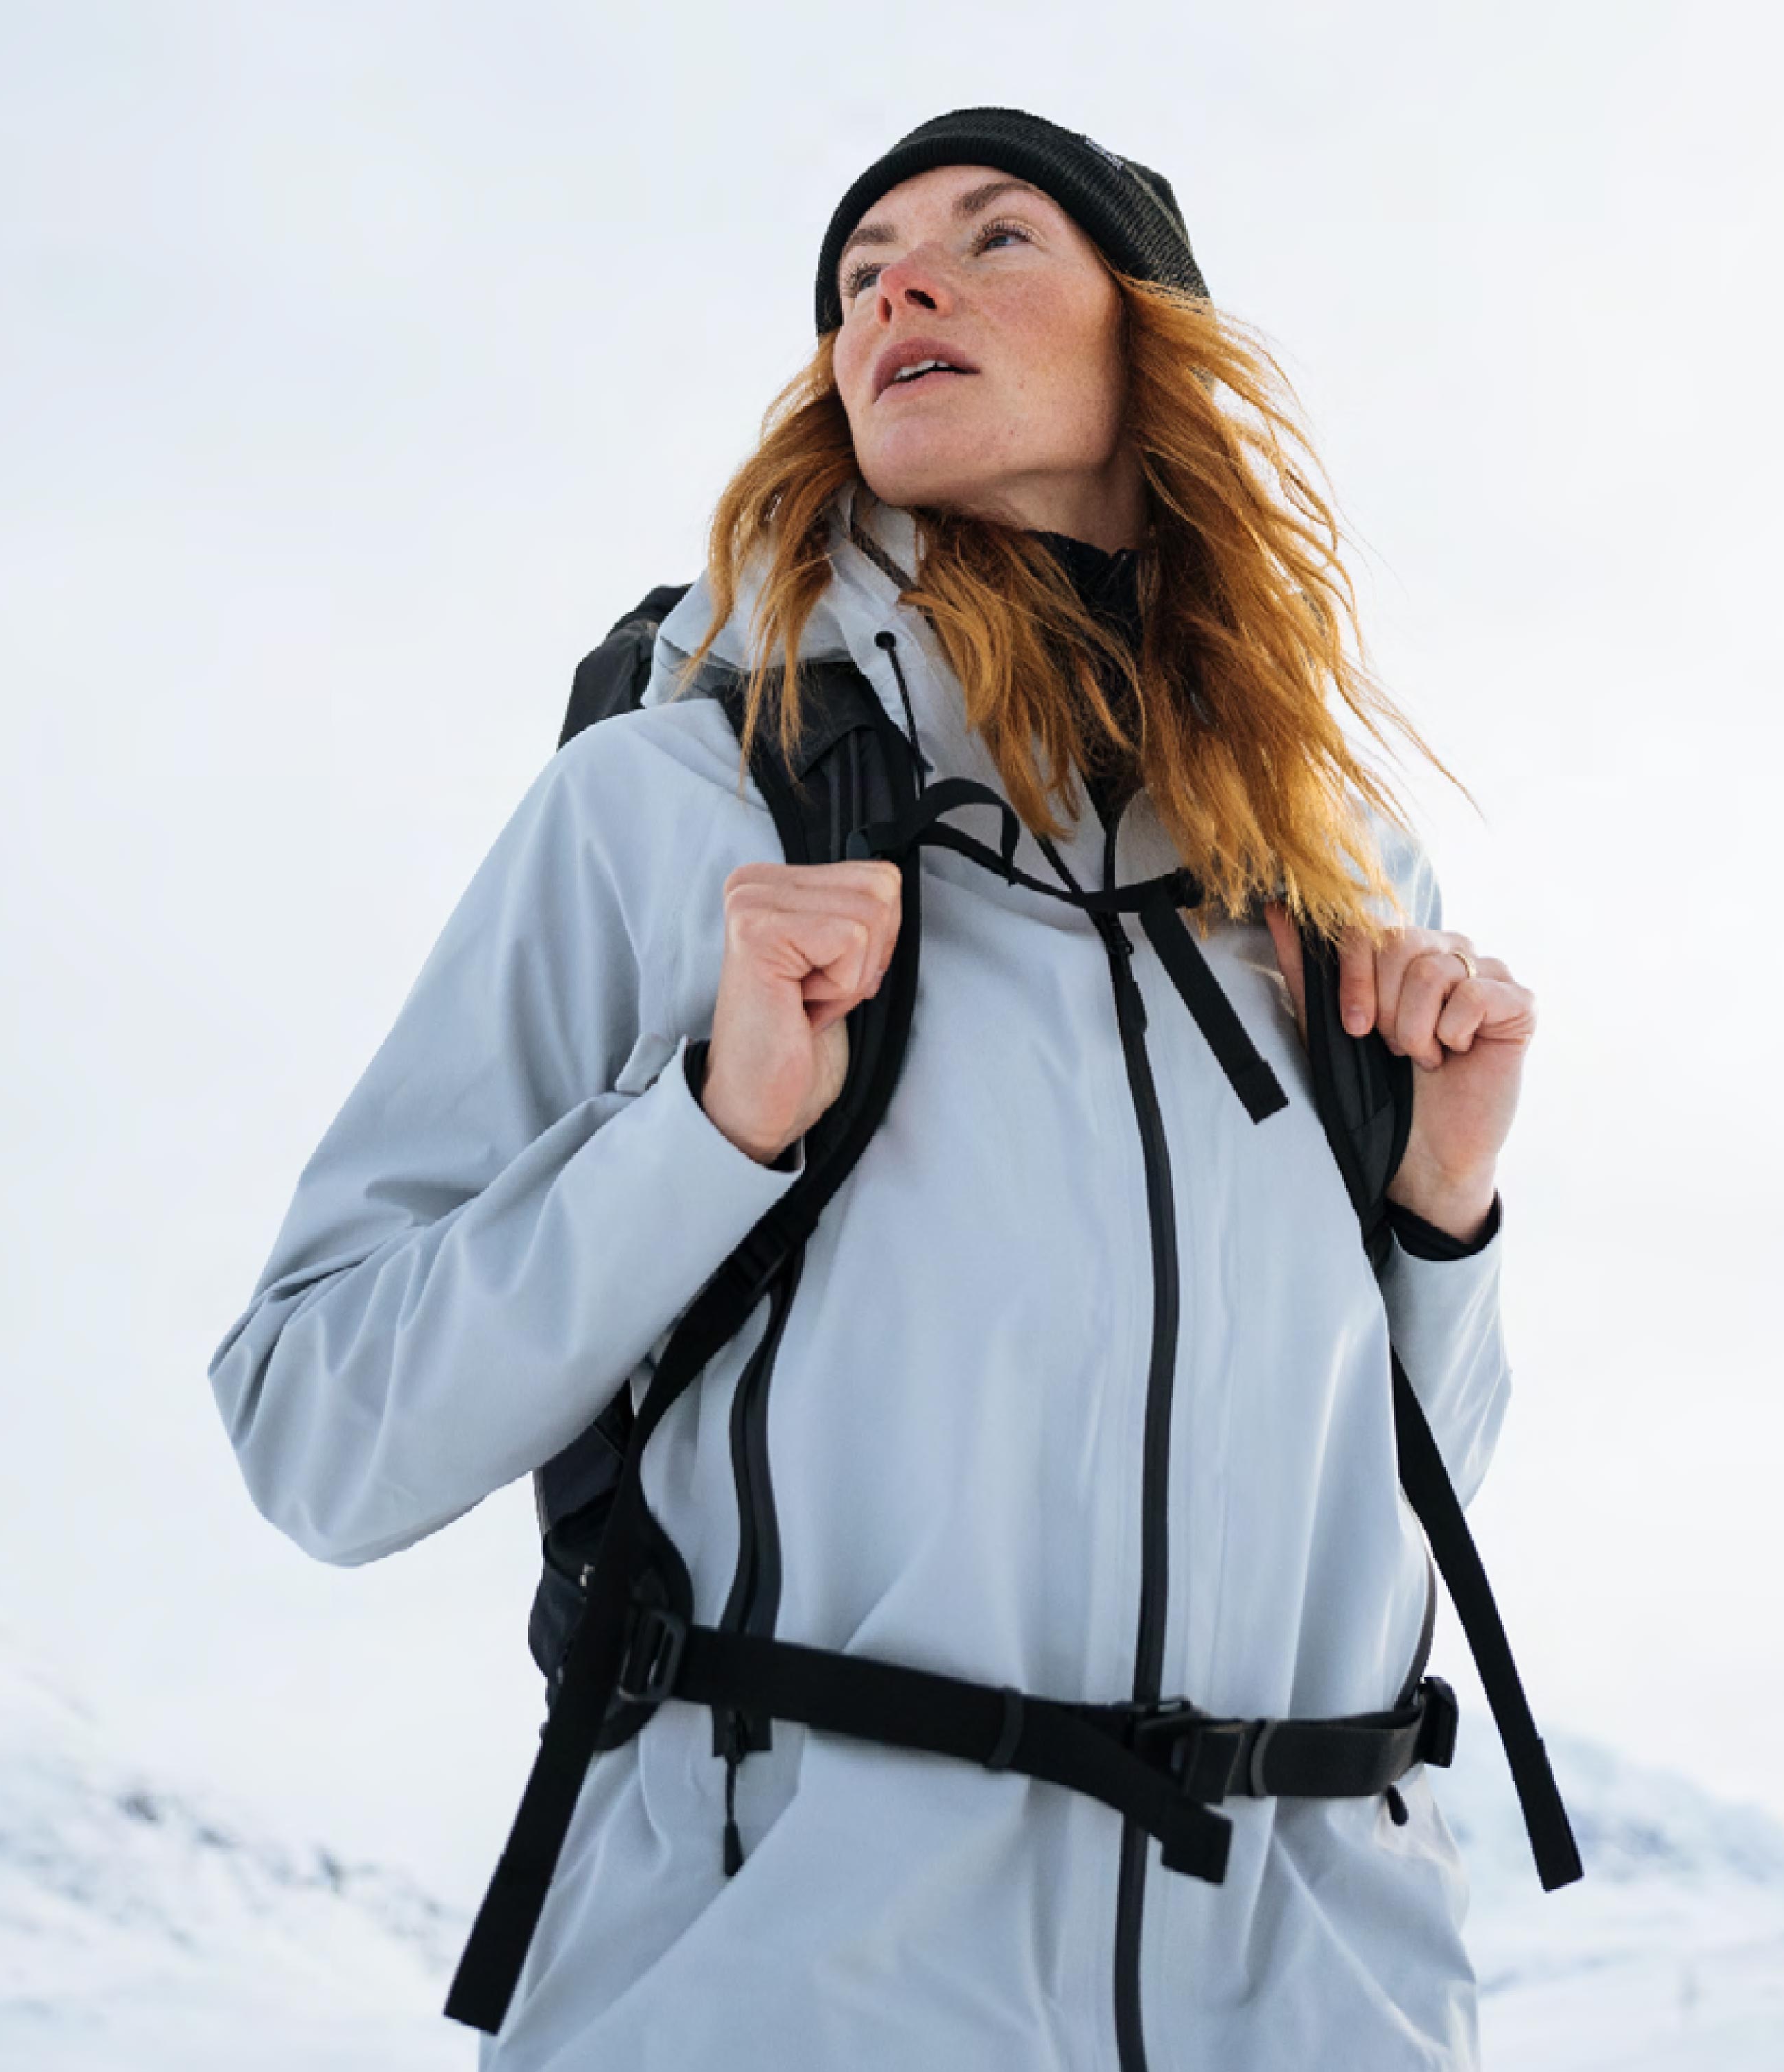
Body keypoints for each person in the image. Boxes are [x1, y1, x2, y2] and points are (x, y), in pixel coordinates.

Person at [208, 107, 1539, 2071]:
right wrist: (710, 1130)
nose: (900, 284)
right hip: (785, 1999)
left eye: (998, 239)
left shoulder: (1330, 873)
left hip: (1322, 2005)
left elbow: (1365, 1511)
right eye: (861, 274)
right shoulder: (675, 806)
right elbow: (319, 1430)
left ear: (1149, 344)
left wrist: (1440, 1208)